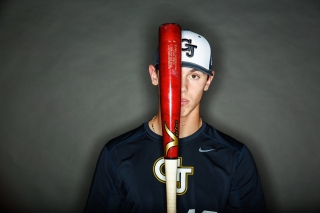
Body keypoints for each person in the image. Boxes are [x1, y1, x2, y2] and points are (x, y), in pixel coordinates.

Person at [84, 29, 267, 213]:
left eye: (194, 76)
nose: (182, 88)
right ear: (154, 75)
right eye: (173, 74)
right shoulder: (117, 154)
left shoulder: (233, 157)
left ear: (208, 80)